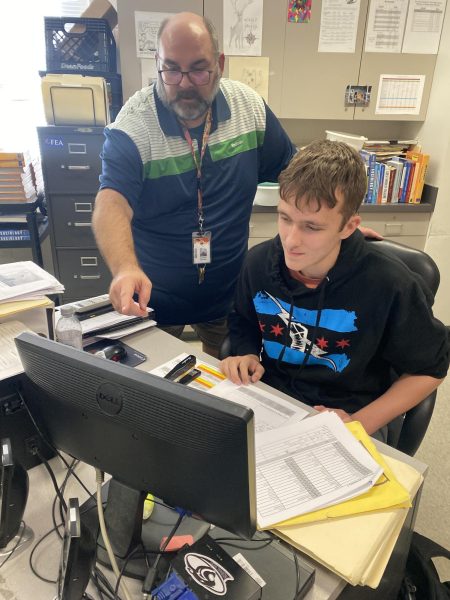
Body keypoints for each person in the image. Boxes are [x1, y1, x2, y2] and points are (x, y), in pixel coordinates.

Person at [92, 12, 378, 358]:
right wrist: (125, 269)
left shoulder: (249, 109)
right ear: (157, 64)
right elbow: (111, 203)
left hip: (228, 294)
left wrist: (338, 225)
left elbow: (300, 176)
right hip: (153, 296)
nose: (184, 83)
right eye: (171, 69)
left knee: (228, 392)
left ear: (220, 63)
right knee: (158, 394)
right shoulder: (133, 126)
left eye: (199, 69)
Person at [220, 140, 448, 440]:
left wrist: (358, 422)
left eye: (312, 227)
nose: (290, 240)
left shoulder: (390, 283)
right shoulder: (259, 263)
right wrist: (247, 353)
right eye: (285, 218)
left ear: (348, 226)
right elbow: (243, 321)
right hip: (274, 400)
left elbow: (430, 369)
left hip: (350, 412)